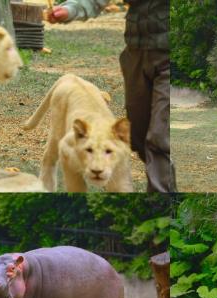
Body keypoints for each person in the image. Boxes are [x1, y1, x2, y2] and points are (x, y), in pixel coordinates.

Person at [46, 0, 176, 192]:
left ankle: (159, 204)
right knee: (138, 135)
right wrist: (69, 10)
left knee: (158, 136)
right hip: (136, 53)